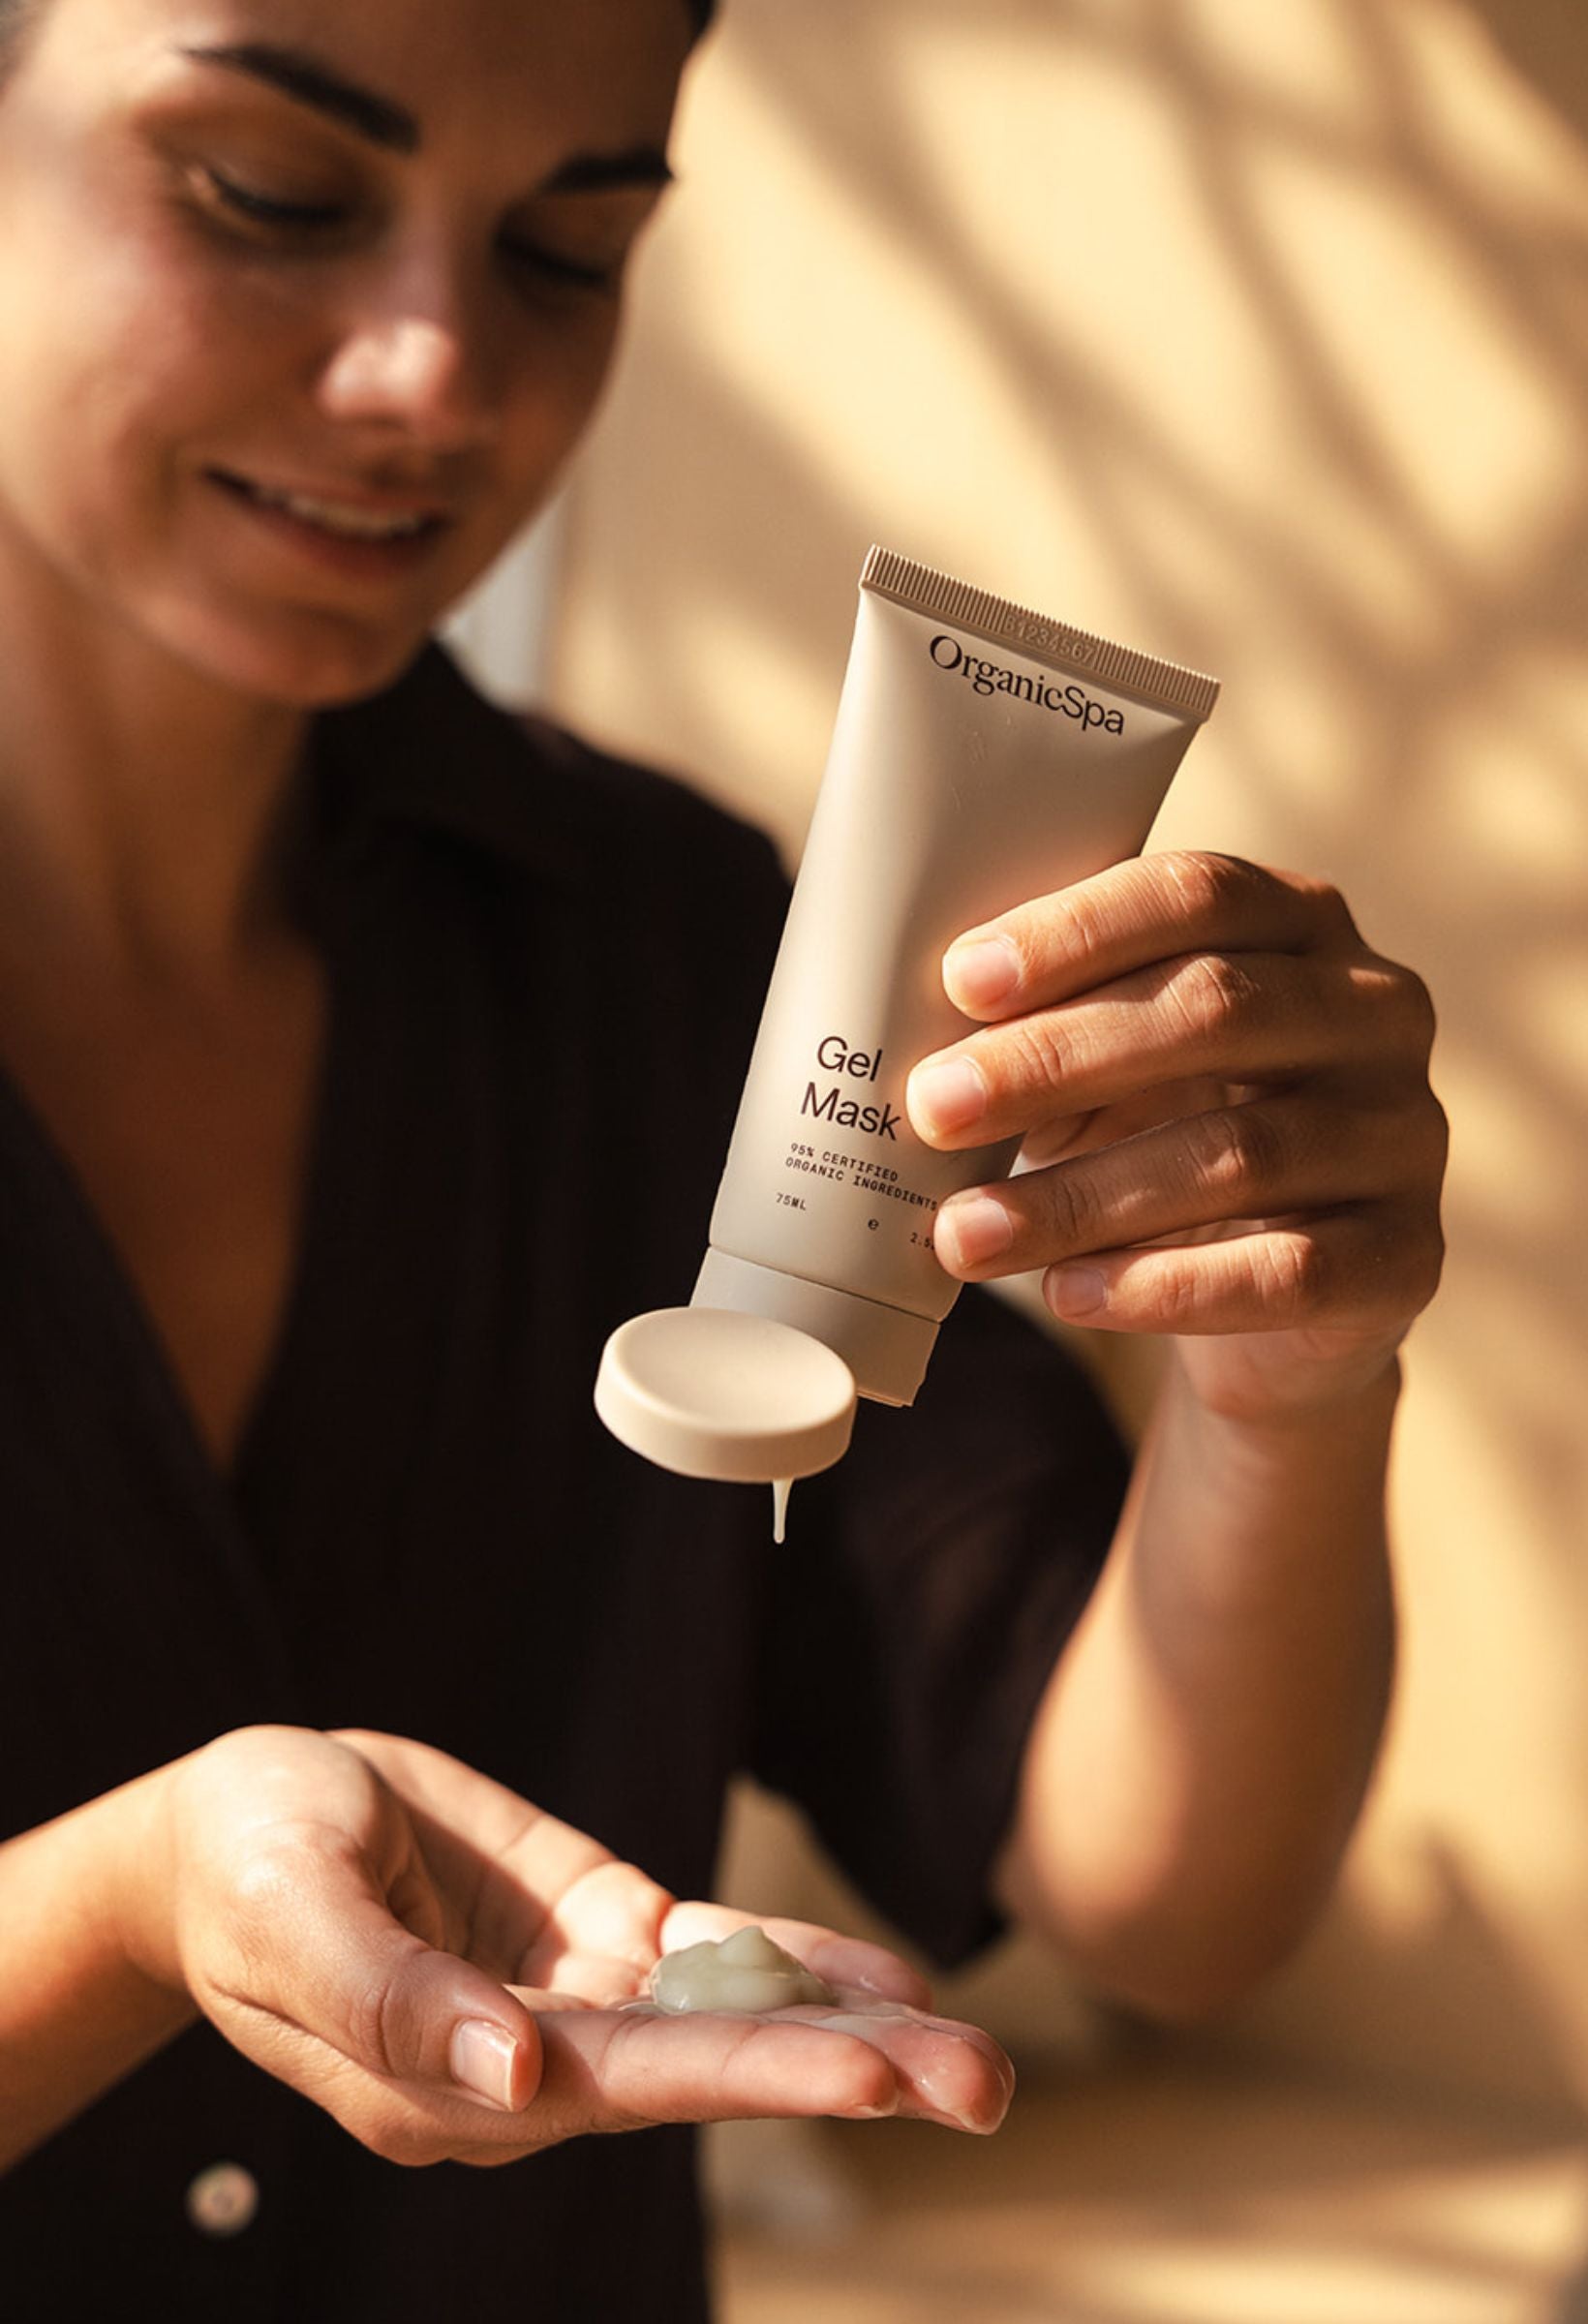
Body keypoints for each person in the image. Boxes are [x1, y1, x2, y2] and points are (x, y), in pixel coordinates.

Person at [0, 0, 1448, 2313]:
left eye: (567, 250)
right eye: (271, 194)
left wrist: (1289, 1388)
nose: (437, 375)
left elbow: (1160, 1899)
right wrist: (126, 1913)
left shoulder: (669, 956)